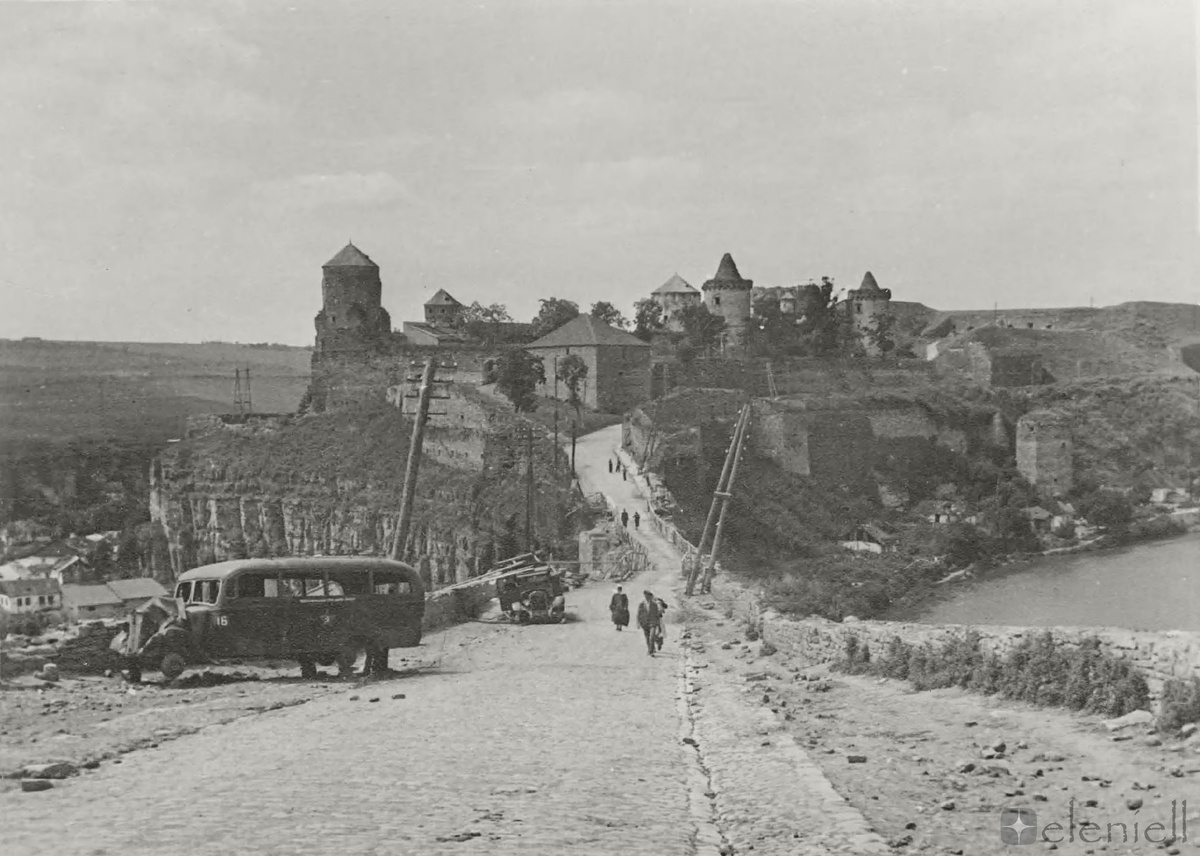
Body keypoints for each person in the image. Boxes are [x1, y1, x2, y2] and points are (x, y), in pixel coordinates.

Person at [636, 590, 663, 656]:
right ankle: (650, 649)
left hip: (653, 623)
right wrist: (638, 623)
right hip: (644, 623)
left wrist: (658, 625)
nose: (647, 597)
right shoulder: (641, 604)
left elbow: (657, 615)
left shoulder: (654, 604)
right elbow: (638, 614)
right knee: (647, 637)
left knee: (652, 636)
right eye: (646, 596)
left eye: (649, 596)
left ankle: (651, 652)